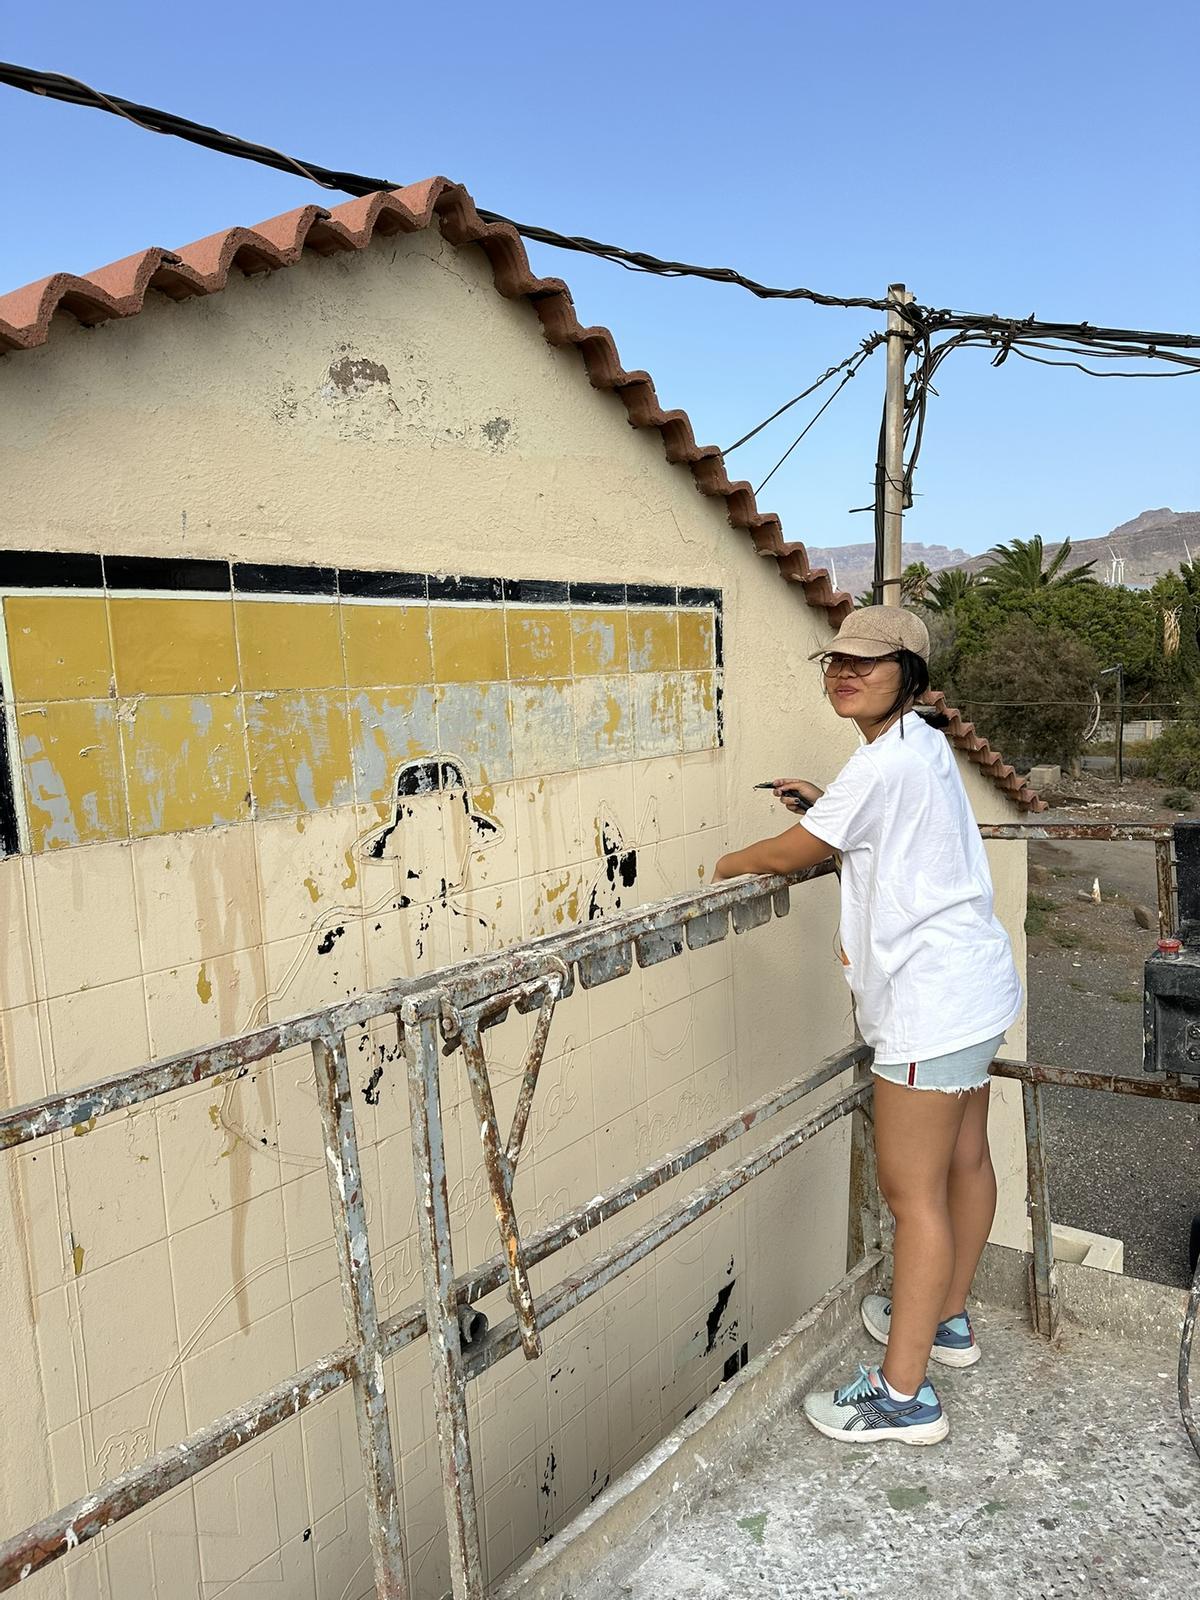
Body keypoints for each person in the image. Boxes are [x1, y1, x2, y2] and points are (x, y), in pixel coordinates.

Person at [712, 605, 1022, 1446]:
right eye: (836, 661)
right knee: (964, 1159)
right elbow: (866, 827)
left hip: (930, 1005)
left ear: (910, 679)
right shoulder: (915, 745)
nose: (844, 673)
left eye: (868, 663)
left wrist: (725, 868)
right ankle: (946, 1321)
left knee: (910, 1196)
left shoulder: (883, 768)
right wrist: (829, 812)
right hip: (976, 986)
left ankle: (902, 1397)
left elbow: (789, 855)